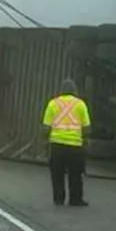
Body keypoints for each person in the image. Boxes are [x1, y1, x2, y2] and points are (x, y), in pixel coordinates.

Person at [42, 79, 91, 207]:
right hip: (75, 145)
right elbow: (87, 128)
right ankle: (75, 199)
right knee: (75, 174)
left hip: (57, 144)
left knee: (57, 174)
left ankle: (59, 198)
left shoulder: (52, 104)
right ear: (74, 90)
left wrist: (45, 142)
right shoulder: (80, 104)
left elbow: (46, 127)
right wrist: (85, 141)